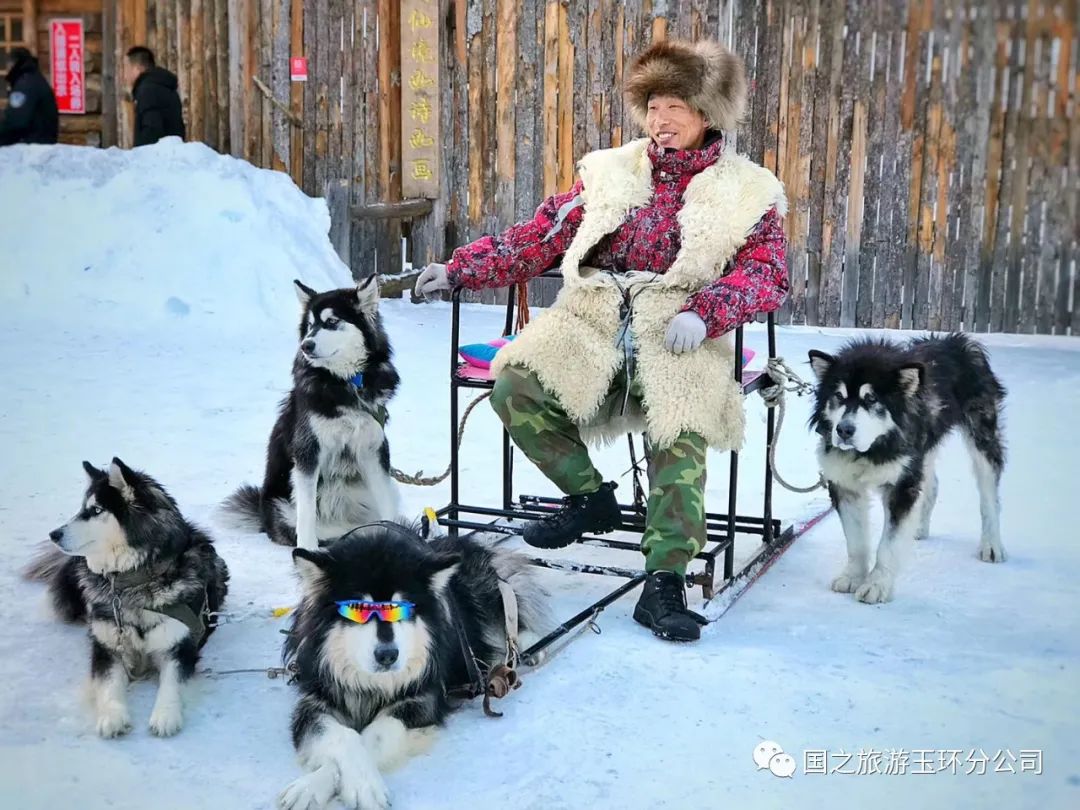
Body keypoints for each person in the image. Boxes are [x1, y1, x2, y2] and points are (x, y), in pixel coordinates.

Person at [414, 39, 789, 643]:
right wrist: (459, 269)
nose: (660, 121)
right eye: (652, 106)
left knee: (681, 422)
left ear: (708, 114)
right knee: (515, 383)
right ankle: (590, 498)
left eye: (675, 107)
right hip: (589, 320)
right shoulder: (610, 173)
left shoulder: (748, 190)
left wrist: (707, 311)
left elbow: (767, 273)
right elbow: (541, 237)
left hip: (678, 328)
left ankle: (664, 579)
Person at [124, 46, 185, 146]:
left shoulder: (148, 91)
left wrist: (140, 156)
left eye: (127, 68)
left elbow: (151, 131)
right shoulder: (165, 87)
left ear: (138, 68)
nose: (124, 75)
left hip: (156, 158)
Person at [0, 47, 59, 146]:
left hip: (31, 147)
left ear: (13, 64)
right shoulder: (34, 79)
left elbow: (15, 121)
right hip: (40, 144)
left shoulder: (25, 84)